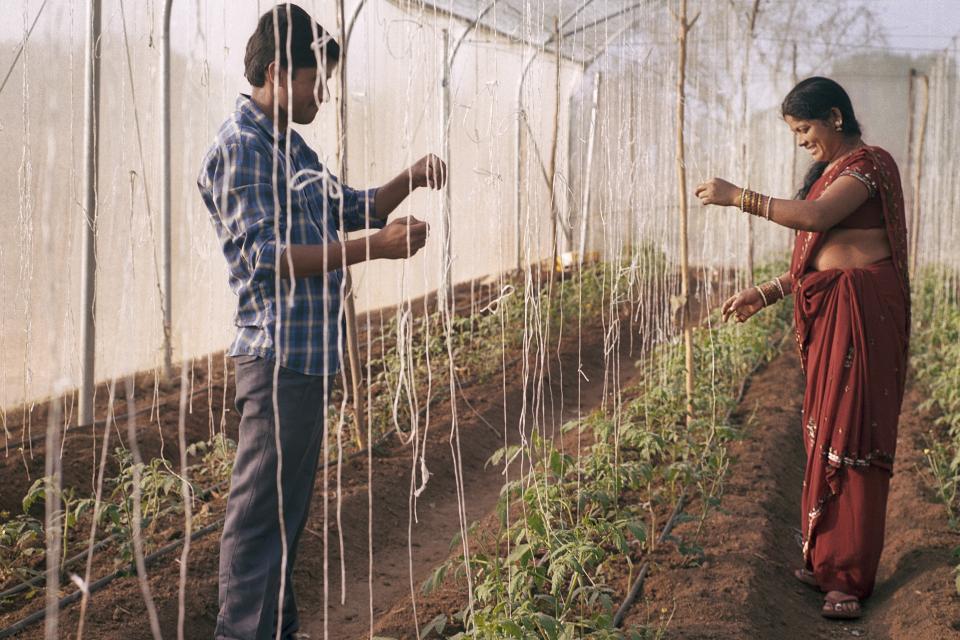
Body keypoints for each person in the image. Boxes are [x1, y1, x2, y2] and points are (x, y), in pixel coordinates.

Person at [197, 5, 446, 639]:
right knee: (259, 516)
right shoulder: (240, 147)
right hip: (276, 358)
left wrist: (409, 180)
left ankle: (276, 629)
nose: (322, 94)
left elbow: (346, 206)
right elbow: (266, 257)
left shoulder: (289, 144)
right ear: (279, 72)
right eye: (316, 80)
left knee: (285, 513)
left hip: (308, 359)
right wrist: (377, 248)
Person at [695, 76, 910, 620]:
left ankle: (850, 577)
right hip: (835, 311)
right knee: (824, 434)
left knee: (853, 437)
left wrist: (736, 196)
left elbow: (815, 221)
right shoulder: (831, 173)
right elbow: (816, 258)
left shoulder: (870, 165)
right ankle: (824, 557)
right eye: (794, 131)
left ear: (835, 117)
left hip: (863, 317)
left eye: (804, 128)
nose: (800, 140)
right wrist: (765, 292)